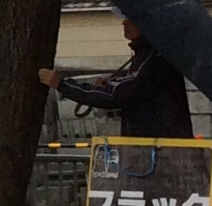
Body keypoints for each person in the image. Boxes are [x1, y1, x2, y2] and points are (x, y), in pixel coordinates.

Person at [38, 20, 196, 140]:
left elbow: (119, 95)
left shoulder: (154, 60)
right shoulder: (146, 56)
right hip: (148, 143)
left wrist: (62, 84)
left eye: (130, 18)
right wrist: (110, 83)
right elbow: (128, 82)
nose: (124, 23)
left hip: (158, 145)